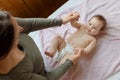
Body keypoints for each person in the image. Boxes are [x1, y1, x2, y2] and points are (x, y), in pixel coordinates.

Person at [0, 11, 82, 80]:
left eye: (16, 21)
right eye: (17, 32)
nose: (21, 28)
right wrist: (70, 62)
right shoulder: (18, 74)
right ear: (9, 46)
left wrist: (61, 21)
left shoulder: (4, 21)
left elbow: (31, 24)